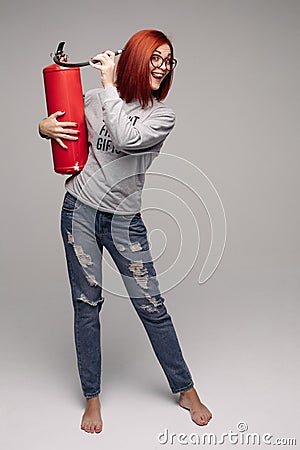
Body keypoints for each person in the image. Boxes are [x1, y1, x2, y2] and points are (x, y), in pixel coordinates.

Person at [39, 29, 212, 434]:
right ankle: (92, 398)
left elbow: (125, 137)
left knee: (151, 306)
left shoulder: (160, 115)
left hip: (124, 222)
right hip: (79, 211)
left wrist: (108, 85)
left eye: (167, 60)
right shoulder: (99, 98)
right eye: (154, 57)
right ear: (134, 57)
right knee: (86, 305)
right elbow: (66, 128)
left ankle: (184, 389)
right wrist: (43, 128)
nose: (161, 66)